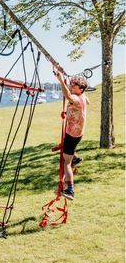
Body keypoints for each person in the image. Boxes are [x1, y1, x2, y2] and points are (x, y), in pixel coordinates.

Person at [55, 72, 90, 200]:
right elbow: (87, 101)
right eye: (71, 85)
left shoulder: (76, 98)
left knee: (66, 163)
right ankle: (75, 158)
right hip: (78, 133)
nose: (71, 87)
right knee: (69, 151)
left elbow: (68, 95)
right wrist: (69, 111)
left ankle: (70, 190)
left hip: (72, 134)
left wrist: (60, 80)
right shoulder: (83, 96)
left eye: (74, 86)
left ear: (81, 89)